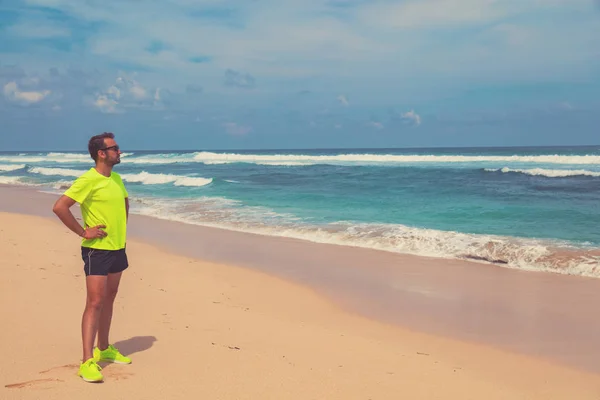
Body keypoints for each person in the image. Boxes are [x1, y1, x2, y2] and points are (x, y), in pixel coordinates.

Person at [52, 132, 132, 383]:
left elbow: (125, 203)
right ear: (101, 153)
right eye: (114, 148)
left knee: (110, 297)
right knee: (95, 302)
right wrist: (83, 231)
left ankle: (104, 347)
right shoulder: (88, 179)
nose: (119, 151)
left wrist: (121, 231)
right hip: (97, 250)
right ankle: (87, 361)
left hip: (117, 247)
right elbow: (60, 207)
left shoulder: (117, 179)